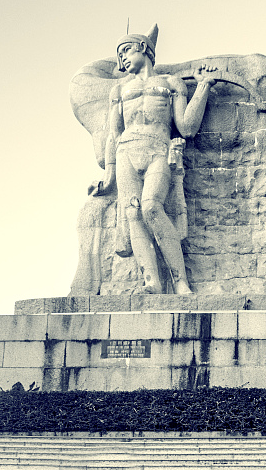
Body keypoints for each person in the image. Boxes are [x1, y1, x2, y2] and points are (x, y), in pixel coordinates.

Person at [88, 25, 216, 295]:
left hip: (158, 148)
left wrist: (203, 86)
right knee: (133, 213)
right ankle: (152, 282)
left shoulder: (171, 83)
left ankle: (180, 281)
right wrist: (108, 177)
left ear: (144, 48)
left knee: (151, 208)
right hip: (126, 152)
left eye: (126, 50)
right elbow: (114, 135)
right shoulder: (119, 91)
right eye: (119, 54)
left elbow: (187, 126)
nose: (122, 59)